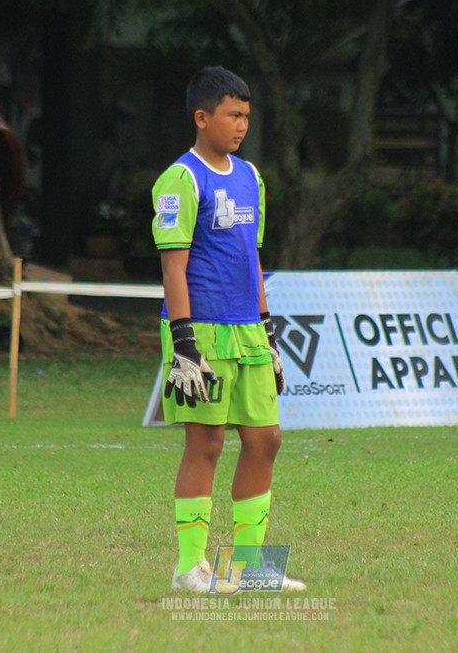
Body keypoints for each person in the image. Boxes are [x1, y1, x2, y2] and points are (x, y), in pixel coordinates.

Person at [151, 66, 304, 593]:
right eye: (232, 115)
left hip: (248, 332)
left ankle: (251, 568)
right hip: (204, 332)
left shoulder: (251, 176)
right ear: (202, 117)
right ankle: (190, 568)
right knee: (207, 445)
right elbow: (174, 267)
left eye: (246, 116)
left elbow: (251, 257)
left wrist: (269, 331)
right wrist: (184, 345)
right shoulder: (180, 179)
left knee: (266, 441)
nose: (241, 125)